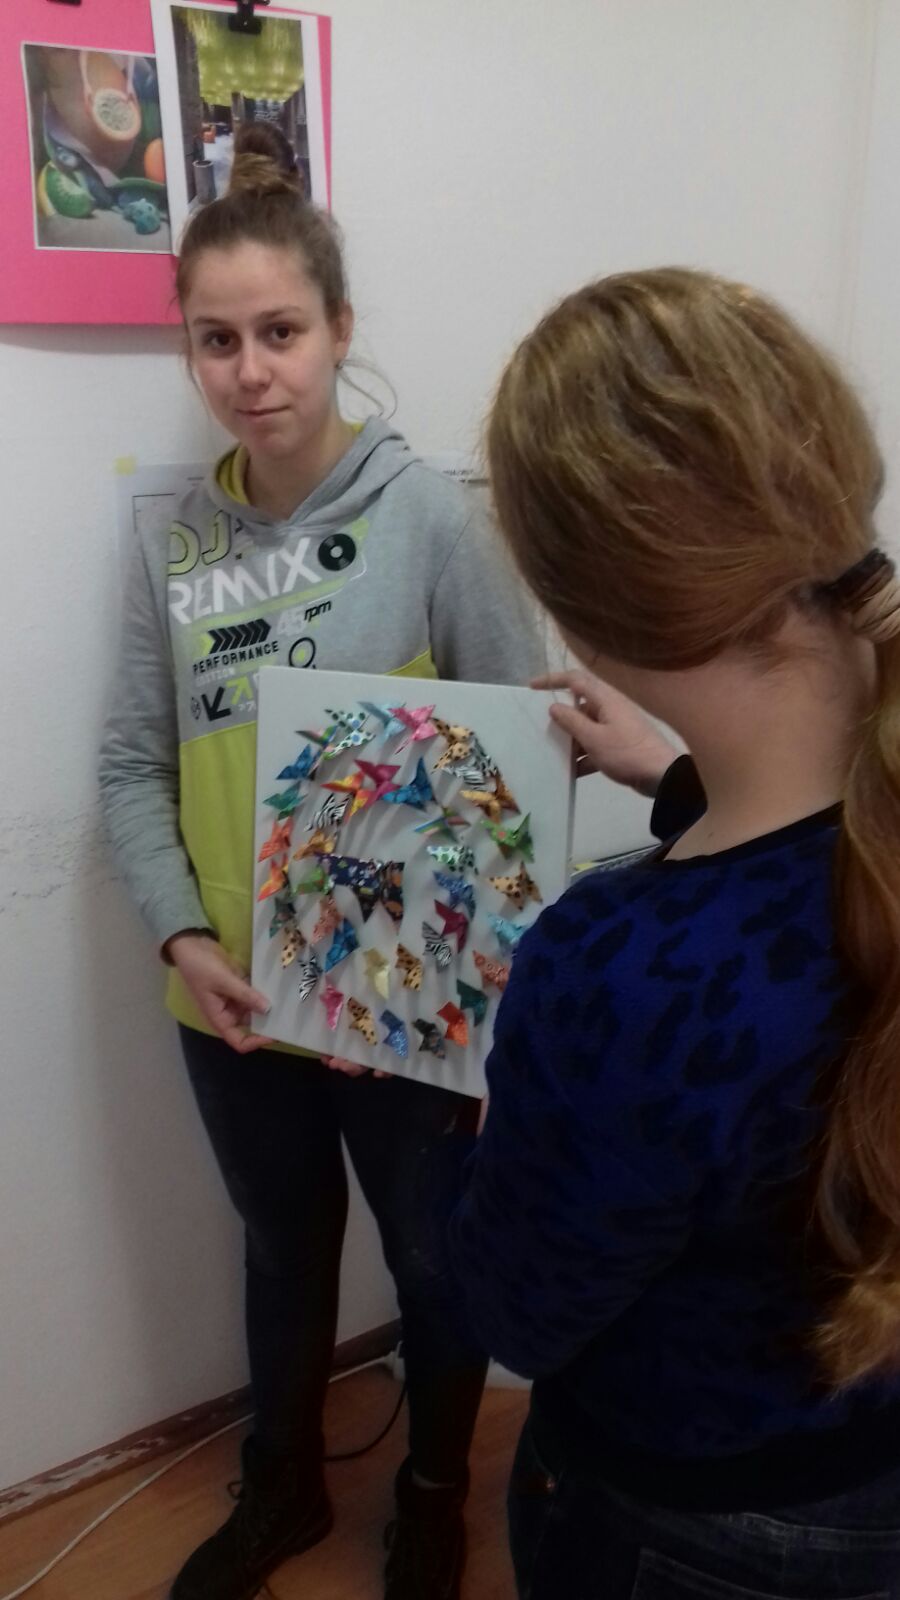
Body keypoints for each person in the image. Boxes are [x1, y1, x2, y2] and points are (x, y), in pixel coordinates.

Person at [99, 122, 539, 1600]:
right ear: (189, 349)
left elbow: (513, 776)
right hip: (228, 998)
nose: (251, 370)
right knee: (282, 1251)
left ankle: (433, 1500)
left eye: (280, 331)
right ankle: (280, 1489)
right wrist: (184, 939)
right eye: (216, 340)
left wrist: (431, 985)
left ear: (341, 329)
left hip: (404, 1008)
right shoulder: (172, 543)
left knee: (433, 1263)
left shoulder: (436, 520)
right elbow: (132, 766)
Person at [450, 267, 900, 1600]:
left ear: (585, 619)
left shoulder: (620, 971)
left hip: (695, 1523)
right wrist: (684, 777)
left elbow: (518, 1314)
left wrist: (481, 1129)